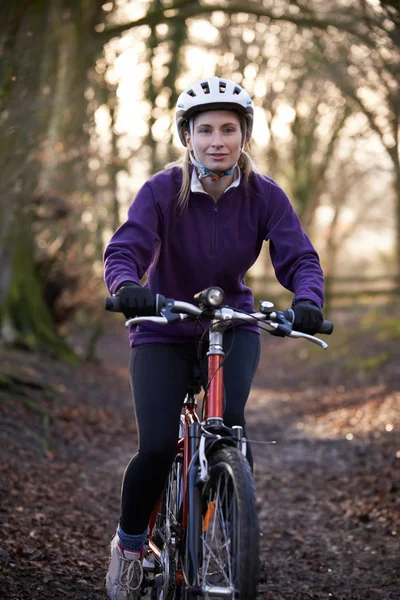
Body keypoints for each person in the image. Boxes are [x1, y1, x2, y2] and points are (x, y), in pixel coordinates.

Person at [103, 76, 324, 599]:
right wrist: (128, 287)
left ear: (244, 135)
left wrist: (308, 301)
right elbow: (126, 248)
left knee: (231, 431)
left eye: (229, 129)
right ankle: (130, 546)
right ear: (188, 136)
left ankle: (234, 530)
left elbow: (299, 256)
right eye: (206, 130)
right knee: (157, 446)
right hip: (163, 325)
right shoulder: (161, 190)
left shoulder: (265, 194)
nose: (217, 140)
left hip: (233, 324)